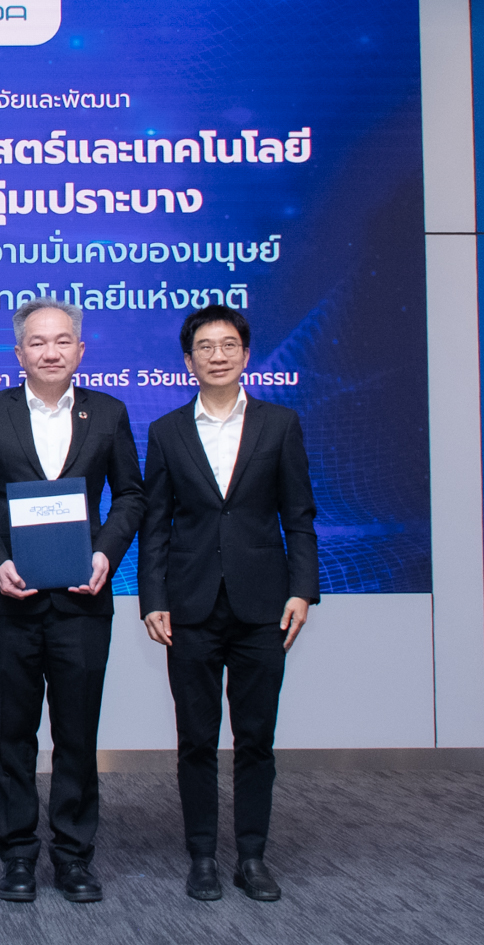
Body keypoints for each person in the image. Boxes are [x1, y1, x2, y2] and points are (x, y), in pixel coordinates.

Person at [0, 297, 144, 904]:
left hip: (84, 601)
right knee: (12, 734)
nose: (51, 351)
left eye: (62, 341)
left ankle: (74, 855)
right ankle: (16, 852)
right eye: (38, 342)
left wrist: (106, 553)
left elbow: (131, 496)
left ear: (80, 350)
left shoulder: (108, 413)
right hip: (10, 599)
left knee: (77, 733)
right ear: (19, 353)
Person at [140, 304, 318, 903]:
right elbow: (155, 524)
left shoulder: (279, 425)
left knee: (256, 738)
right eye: (205, 348)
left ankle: (251, 856)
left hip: (263, 605)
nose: (217, 356)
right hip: (189, 607)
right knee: (195, 738)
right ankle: (202, 857)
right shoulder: (166, 431)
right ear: (188, 361)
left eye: (228, 345)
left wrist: (302, 590)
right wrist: (153, 598)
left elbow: (299, 517)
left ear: (245, 354)